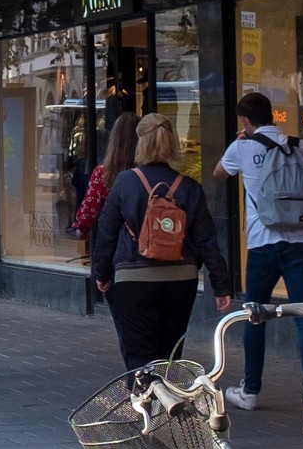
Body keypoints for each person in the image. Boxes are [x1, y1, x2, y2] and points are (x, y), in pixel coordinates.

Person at [90, 114, 233, 370]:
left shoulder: (124, 182)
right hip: (181, 280)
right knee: (170, 355)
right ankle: (167, 405)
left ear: (140, 143)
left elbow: (107, 234)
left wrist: (102, 274)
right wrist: (221, 286)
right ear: (171, 143)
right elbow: (207, 241)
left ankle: (147, 406)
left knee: (138, 356)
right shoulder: (189, 187)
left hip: (135, 278)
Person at [217, 90, 303, 414]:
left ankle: (250, 392)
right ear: (272, 116)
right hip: (302, 241)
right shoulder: (300, 145)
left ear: (246, 121)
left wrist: (242, 142)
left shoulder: (241, 146)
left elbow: (219, 174)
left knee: (256, 317)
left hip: (263, 243)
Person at [72, 111, 139, 247]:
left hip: (111, 241)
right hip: (142, 240)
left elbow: (88, 213)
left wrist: (79, 228)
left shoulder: (103, 173)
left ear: (114, 139)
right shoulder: (145, 172)